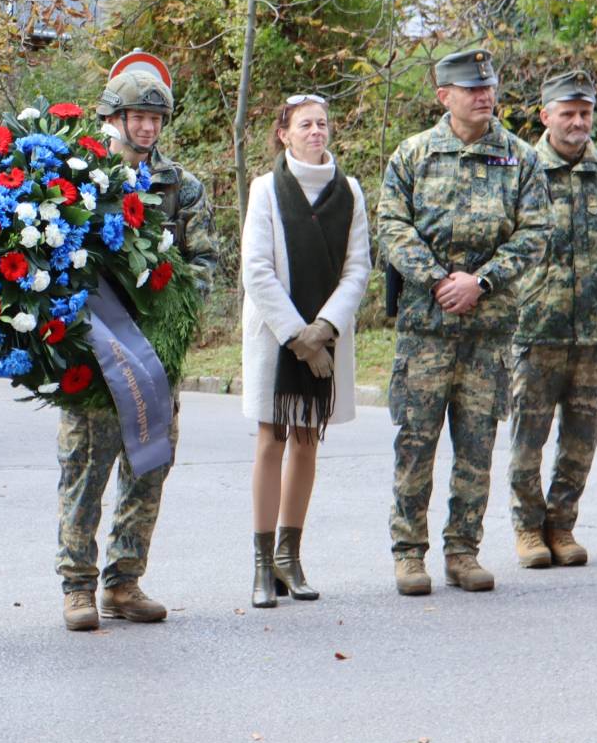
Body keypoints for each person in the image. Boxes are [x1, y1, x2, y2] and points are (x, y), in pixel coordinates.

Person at [378, 48, 551, 596]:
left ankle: (463, 551)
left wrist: (482, 281)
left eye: (488, 87)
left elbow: (537, 232)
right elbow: (392, 224)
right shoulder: (414, 154)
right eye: (472, 88)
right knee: (416, 444)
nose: (484, 96)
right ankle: (409, 554)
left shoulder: (520, 158)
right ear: (443, 96)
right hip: (425, 331)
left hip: (487, 329)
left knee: (476, 447)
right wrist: (438, 281)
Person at [55, 56, 218, 632]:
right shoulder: (80, 176)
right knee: (84, 472)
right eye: (137, 117)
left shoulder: (182, 187)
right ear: (114, 118)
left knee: (148, 467)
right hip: (93, 358)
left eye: (155, 118)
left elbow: (204, 263)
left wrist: (168, 319)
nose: (147, 128)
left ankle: (124, 580)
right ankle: (77, 586)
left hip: (153, 357)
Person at [238, 93, 369, 609]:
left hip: (326, 338)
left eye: (322, 123)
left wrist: (323, 330)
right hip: (276, 339)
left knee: (308, 440)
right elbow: (256, 270)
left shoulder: (350, 192)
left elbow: (357, 268)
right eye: (305, 125)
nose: (316, 131)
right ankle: (261, 564)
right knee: (271, 439)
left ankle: (289, 558)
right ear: (284, 134)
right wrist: (297, 336)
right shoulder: (266, 189)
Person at [508, 70, 597, 569]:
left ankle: (561, 525)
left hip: (594, 331)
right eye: (568, 113)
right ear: (546, 116)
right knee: (528, 439)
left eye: (585, 113)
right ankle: (527, 527)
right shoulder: (522, 172)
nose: (578, 122)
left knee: (582, 440)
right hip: (535, 329)